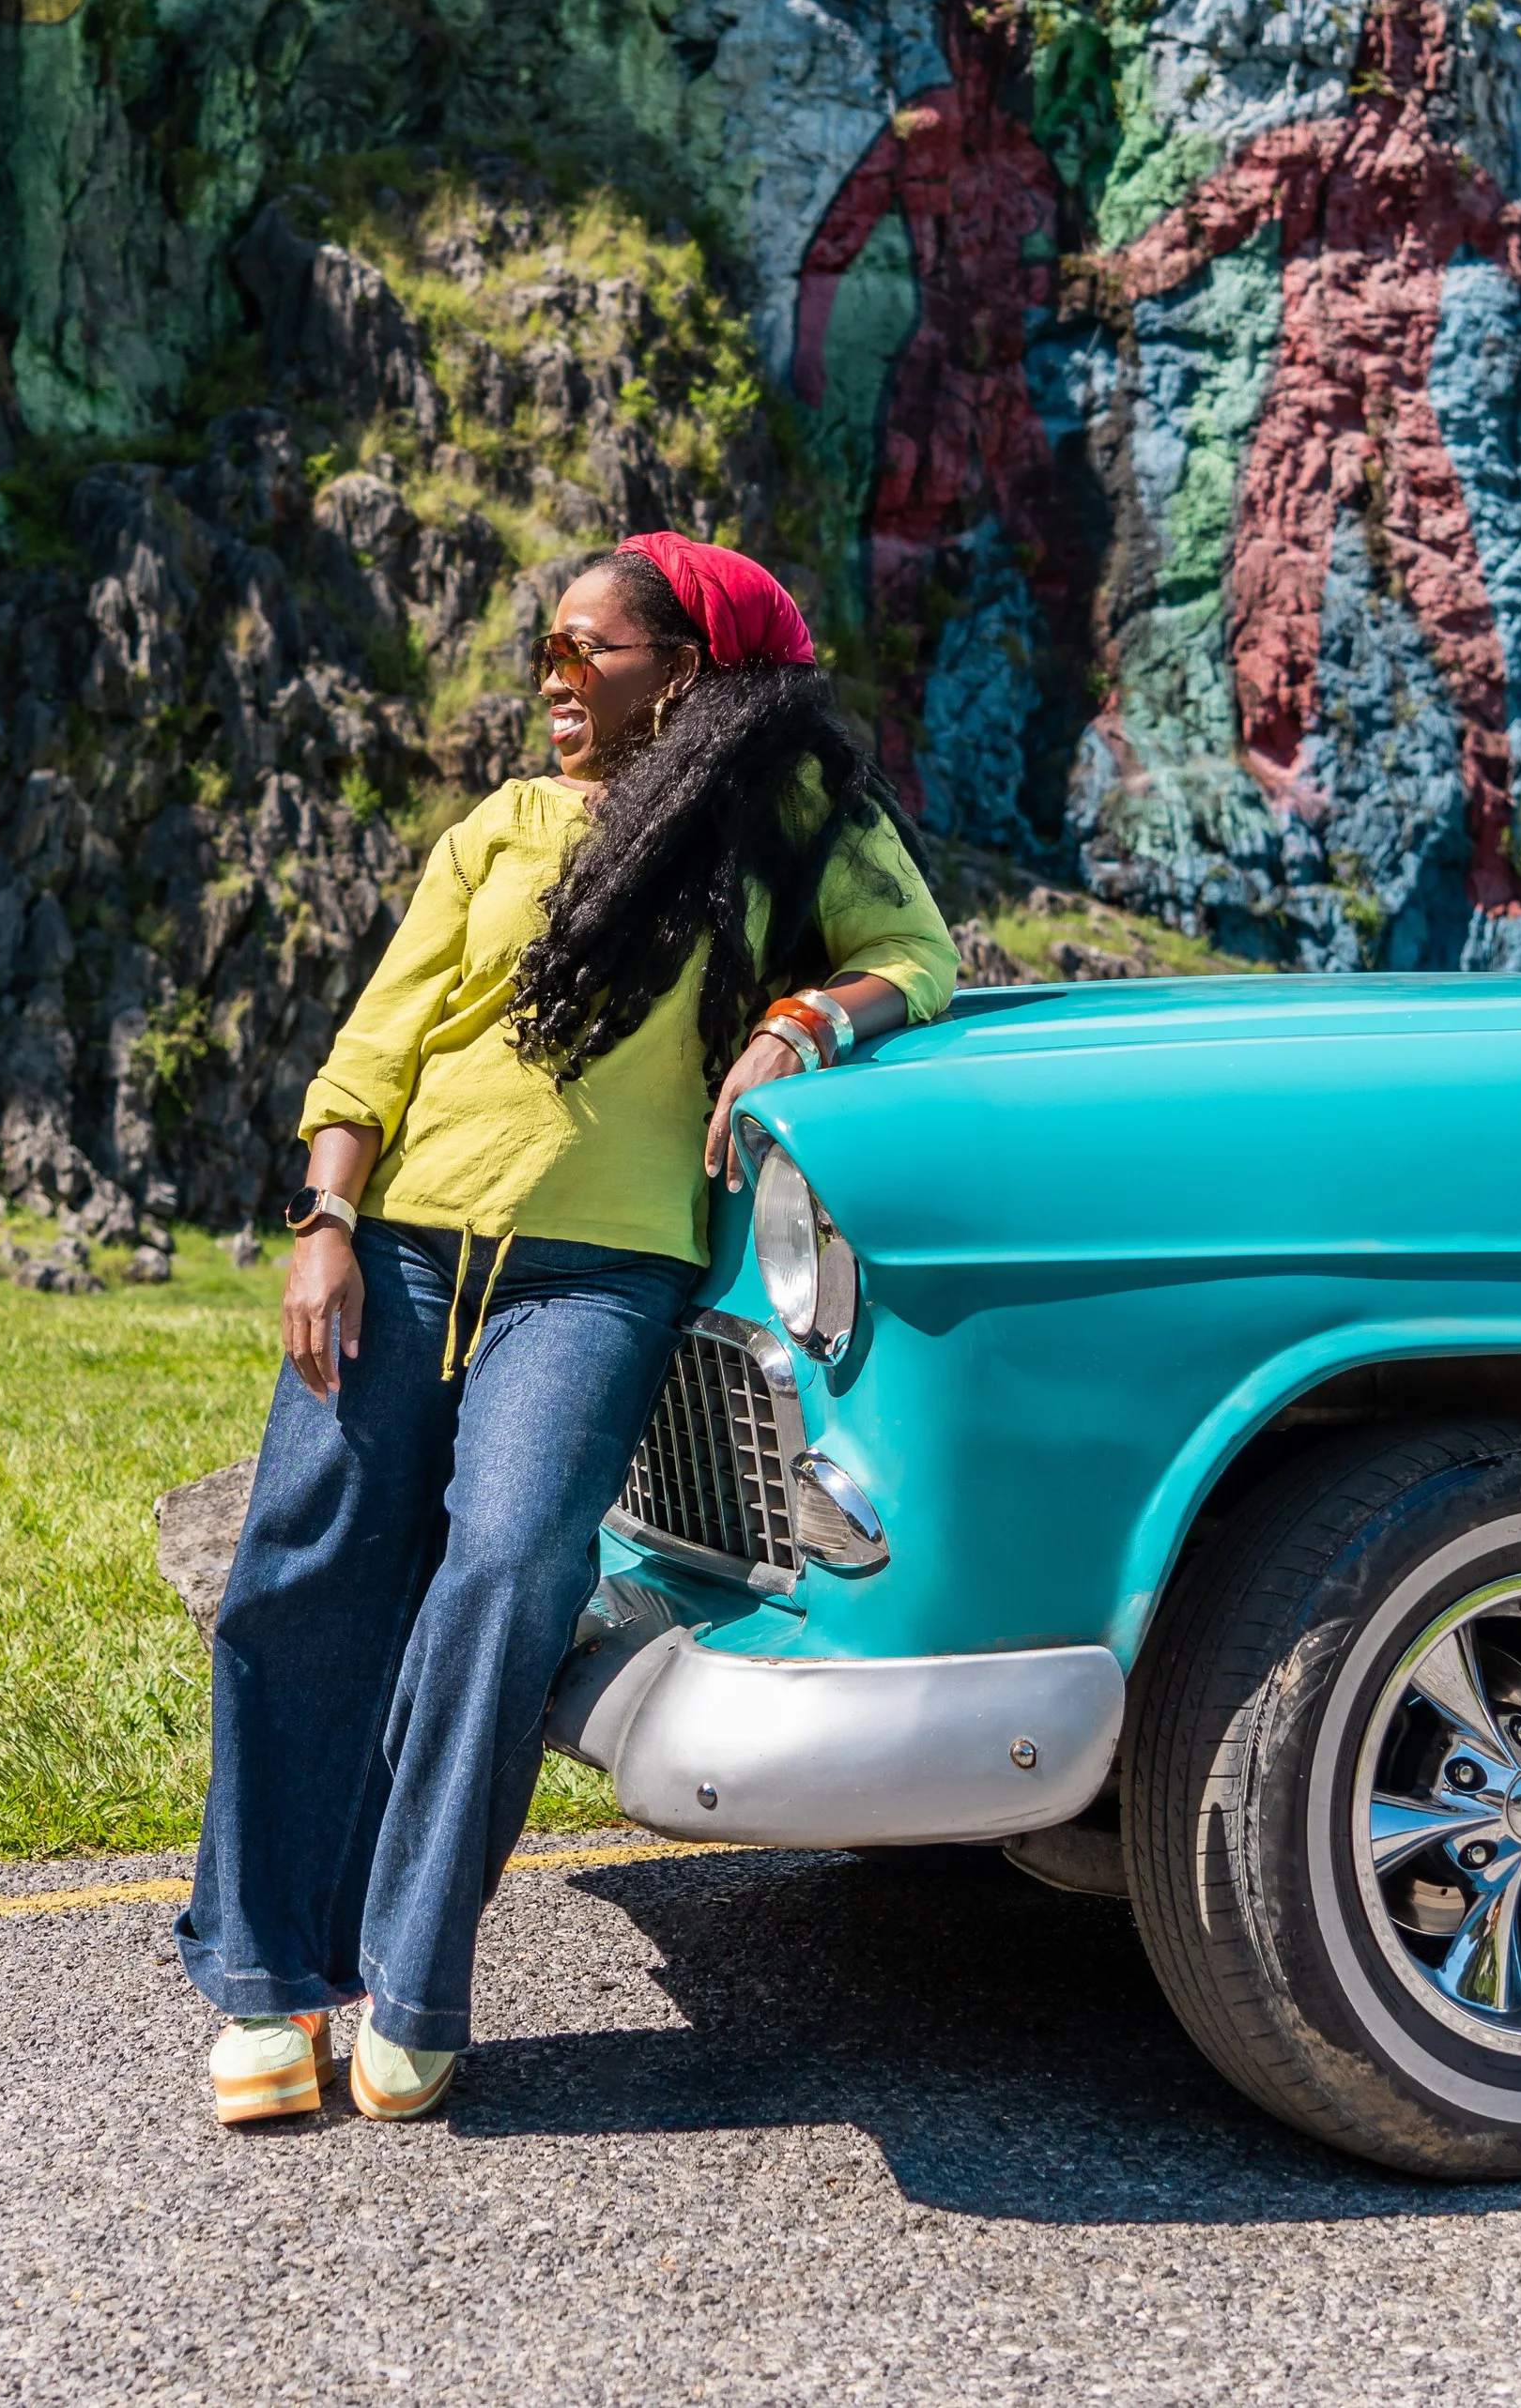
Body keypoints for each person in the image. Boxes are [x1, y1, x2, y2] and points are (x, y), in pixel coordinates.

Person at [177, 529, 958, 2125]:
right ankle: (267, 1978)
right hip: (396, 1249)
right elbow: (381, 1041)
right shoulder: (501, 828)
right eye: (545, 648)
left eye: (585, 649)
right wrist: (325, 1220)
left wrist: (799, 1021)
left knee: (512, 1564)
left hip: (598, 1276)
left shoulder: (785, 821)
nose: (549, 678)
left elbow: (916, 957)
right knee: (299, 1573)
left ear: (686, 670)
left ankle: (409, 1977)